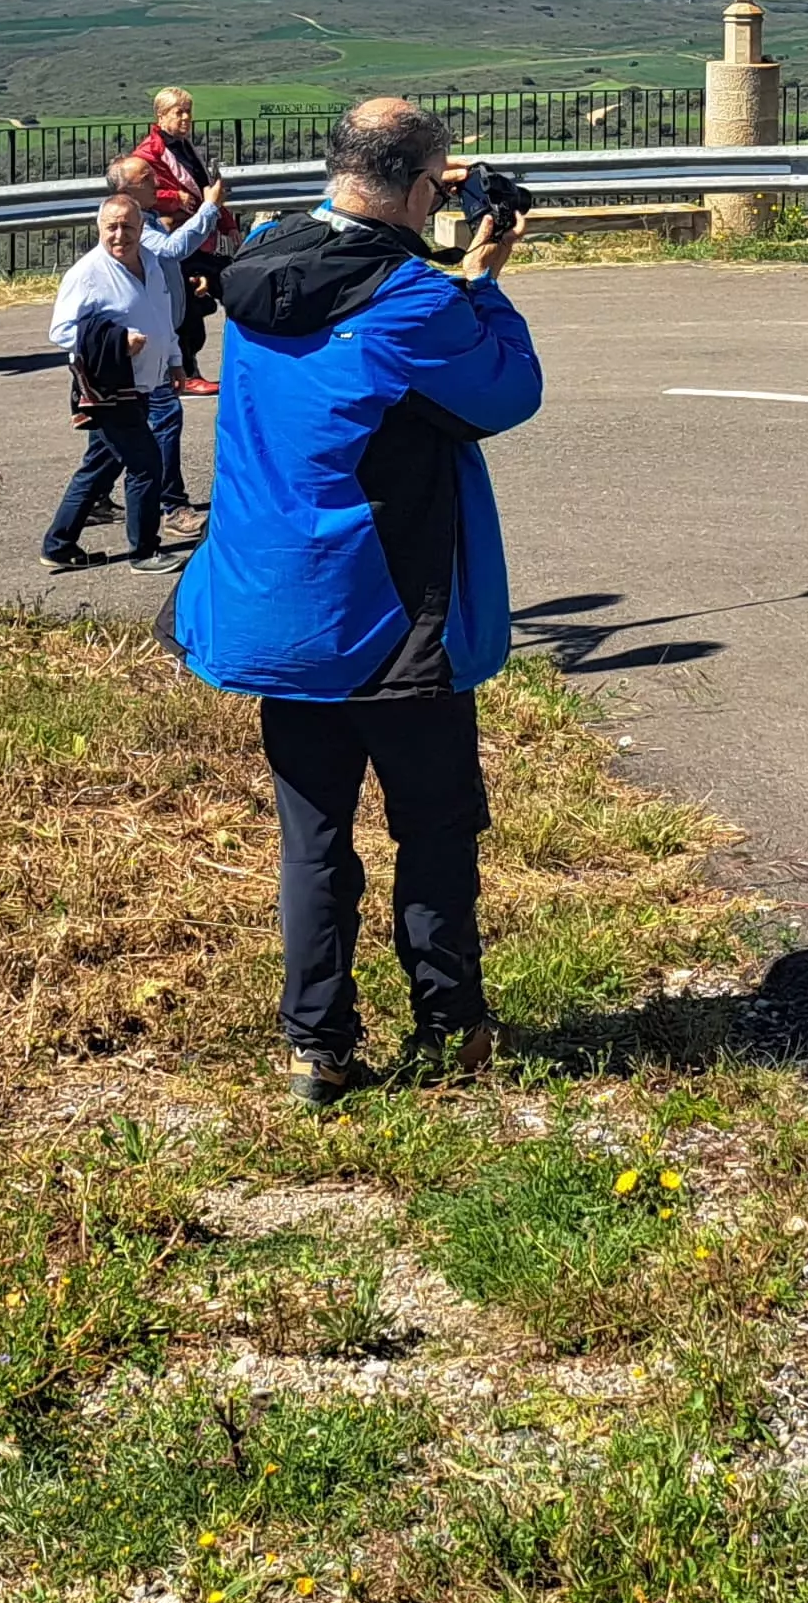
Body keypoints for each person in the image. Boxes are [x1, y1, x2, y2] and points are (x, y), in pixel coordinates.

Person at [172, 98, 542, 1106]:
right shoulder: (413, 300)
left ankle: (316, 1049)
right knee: (432, 826)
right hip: (389, 615)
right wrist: (484, 281)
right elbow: (505, 395)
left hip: (278, 611)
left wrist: (432, 233)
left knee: (315, 838)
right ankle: (449, 1026)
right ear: (423, 189)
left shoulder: (258, 267)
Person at [42, 190, 177, 569]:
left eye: (128, 227)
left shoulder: (150, 263)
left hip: (143, 383)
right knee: (147, 465)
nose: (120, 235)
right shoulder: (86, 275)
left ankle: (58, 545)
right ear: (99, 228)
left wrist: (176, 361)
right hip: (108, 388)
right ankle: (144, 551)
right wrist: (119, 341)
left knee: (100, 465)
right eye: (111, 227)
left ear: (141, 228)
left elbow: (162, 318)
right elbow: (61, 331)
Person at [131, 90, 231, 386]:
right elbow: (136, 189)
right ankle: (185, 373)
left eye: (188, 110)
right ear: (160, 116)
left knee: (210, 289)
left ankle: (188, 370)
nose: (186, 117)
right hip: (174, 235)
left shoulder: (184, 147)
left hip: (197, 236)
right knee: (185, 305)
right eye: (178, 112)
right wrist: (173, 197)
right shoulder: (148, 153)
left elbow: (206, 188)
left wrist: (226, 222)